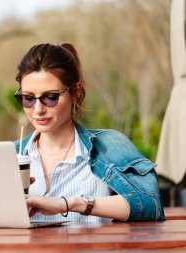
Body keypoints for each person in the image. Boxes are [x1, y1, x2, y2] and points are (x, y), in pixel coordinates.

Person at [13, 42, 165, 222]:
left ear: (76, 93)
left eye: (51, 97)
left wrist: (70, 204)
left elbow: (150, 204)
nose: (38, 109)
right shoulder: (10, 155)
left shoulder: (109, 146)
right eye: (28, 98)